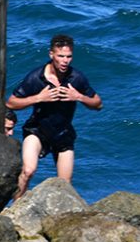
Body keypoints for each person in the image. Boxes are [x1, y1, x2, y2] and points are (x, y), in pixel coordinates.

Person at [6, 34, 102, 199]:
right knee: (28, 170)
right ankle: (15, 208)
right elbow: (11, 103)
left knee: (65, 184)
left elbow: (98, 104)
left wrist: (78, 96)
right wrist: (39, 98)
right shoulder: (36, 77)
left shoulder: (76, 78)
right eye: (61, 56)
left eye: (69, 56)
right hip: (36, 130)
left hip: (62, 133)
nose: (65, 61)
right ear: (51, 54)